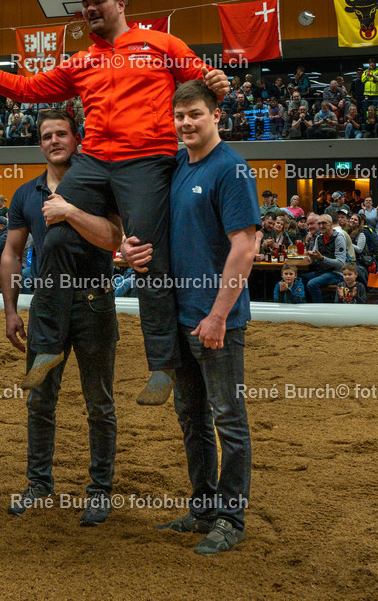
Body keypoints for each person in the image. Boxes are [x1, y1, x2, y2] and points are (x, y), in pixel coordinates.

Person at [0, 0, 230, 405]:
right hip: (93, 160)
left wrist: (218, 82)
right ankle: (48, 344)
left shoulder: (161, 44)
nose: (89, 8)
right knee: (57, 235)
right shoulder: (80, 60)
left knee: (144, 255)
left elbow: (203, 81)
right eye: (84, 3)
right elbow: (28, 89)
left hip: (146, 159)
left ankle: (162, 364)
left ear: (120, 4)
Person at [123, 80, 258, 555]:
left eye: (195, 114)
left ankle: (231, 519)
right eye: (179, 116)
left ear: (216, 115)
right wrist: (127, 246)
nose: (185, 123)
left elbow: (246, 248)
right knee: (192, 417)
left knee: (228, 420)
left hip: (216, 321)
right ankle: (203, 508)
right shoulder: (178, 164)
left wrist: (220, 315)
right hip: (180, 317)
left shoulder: (232, 169)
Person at [0, 109, 122, 526]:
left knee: (100, 404)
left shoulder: (101, 185)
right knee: (39, 400)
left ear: (77, 138)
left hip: (94, 305)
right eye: (47, 136)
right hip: (47, 305)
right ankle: (38, 484)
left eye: (62, 134)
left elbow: (113, 240)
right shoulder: (25, 194)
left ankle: (100, 491)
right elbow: (12, 253)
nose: (55, 141)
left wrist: (69, 212)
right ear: (40, 144)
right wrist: (11, 309)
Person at [303, 212, 347, 303]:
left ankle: (319, 309)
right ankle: (306, 306)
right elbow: (315, 255)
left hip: (335, 273)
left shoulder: (339, 237)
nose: (321, 226)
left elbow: (341, 263)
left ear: (331, 224)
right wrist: (310, 255)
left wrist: (322, 258)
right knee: (299, 278)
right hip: (322, 271)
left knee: (312, 284)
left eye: (324, 223)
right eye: (319, 223)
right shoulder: (319, 238)